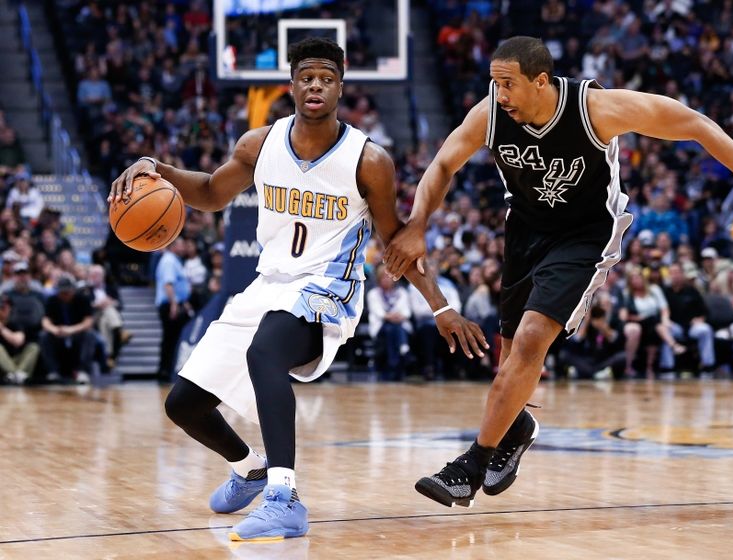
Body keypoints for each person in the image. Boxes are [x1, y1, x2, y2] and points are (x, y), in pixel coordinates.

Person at [382, 36, 733, 507]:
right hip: (525, 233)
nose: (499, 94)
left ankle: (471, 466)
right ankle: (516, 426)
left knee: (531, 339)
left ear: (541, 81)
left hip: (584, 237)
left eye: (508, 84)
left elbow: (696, 124)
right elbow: (443, 163)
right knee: (510, 358)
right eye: (495, 83)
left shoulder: (596, 109)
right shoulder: (490, 114)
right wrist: (418, 223)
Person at [109, 38, 486, 541]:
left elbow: (395, 241)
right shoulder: (258, 145)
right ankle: (250, 469)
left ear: (340, 87)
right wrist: (159, 169)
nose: (316, 86)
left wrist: (441, 307)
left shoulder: (368, 160)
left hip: (327, 291)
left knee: (265, 352)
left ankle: (284, 499)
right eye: (307, 77)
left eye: (326, 79)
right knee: (183, 404)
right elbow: (211, 193)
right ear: (291, 85)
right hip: (269, 284)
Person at [660, 262, 716, 374]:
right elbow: (661, 311)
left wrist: (700, 319)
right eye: (672, 273)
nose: (675, 275)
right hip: (674, 326)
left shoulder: (692, 291)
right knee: (665, 330)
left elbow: (705, 312)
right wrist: (666, 321)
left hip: (691, 326)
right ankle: (667, 367)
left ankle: (707, 365)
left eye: (677, 272)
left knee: (705, 330)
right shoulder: (664, 292)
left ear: (682, 274)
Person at [40, 275, 96, 384]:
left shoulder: (82, 299)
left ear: (73, 290)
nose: (64, 295)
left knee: (90, 334)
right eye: (62, 292)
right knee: (44, 336)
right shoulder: (52, 300)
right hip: (59, 335)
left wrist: (71, 330)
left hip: (76, 333)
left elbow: (88, 322)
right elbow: (45, 321)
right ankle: (53, 371)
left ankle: (83, 371)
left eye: (67, 292)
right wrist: (54, 329)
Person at [154, 236, 192, 382]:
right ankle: (164, 371)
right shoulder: (169, 260)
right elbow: (168, 284)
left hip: (175, 303)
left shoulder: (175, 260)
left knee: (173, 338)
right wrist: (174, 304)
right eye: (181, 244)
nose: (183, 247)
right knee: (170, 339)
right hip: (169, 305)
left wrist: (183, 302)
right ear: (173, 246)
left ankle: (168, 369)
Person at [367, 265, 413, 381]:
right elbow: (378, 312)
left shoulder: (402, 292)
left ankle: (392, 364)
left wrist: (397, 316)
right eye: (383, 277)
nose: (386, 280)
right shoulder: (373, 293)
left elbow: (407, 312)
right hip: (381, 326)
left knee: (392, 329)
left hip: (400, 324)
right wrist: (390, 316)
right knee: (390, 329)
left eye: (388, 277)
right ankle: (404, 348)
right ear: (378, 279)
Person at [0, 294, 39, 384]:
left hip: (15, 360)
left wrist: (2, 329)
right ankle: (16, 374)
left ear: (10, 308)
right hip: (1, 366)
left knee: (33, 347)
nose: (2, 310)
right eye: (1, 307)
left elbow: (18, 341)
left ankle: (15, 374)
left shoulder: (15, 323)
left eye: (4, 307)